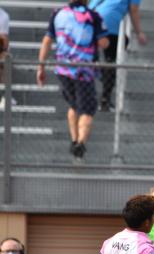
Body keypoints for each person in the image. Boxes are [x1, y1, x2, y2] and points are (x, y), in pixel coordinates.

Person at [37, 0, 109, 162]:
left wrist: (40, 66)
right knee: (87, 110)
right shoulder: (93, 16)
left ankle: (74, 139)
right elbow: (104, 42)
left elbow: (47, 40)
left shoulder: (58, 14)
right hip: (84, 71)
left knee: (73, 105)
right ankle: (81, 143)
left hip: (63, 69)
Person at [88, 0, 148, 112]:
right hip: (109, 23)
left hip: (91, 18)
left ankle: (99, 69)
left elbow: (92, 4)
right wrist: (139, 32)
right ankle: (105, 99)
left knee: (113, 50)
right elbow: (133, 10)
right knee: (112, 61)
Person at [0, 7, 16, 110]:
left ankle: (6, 96)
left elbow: (3, 42)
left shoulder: (3, 15)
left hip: (0, 50)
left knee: (4, 58)